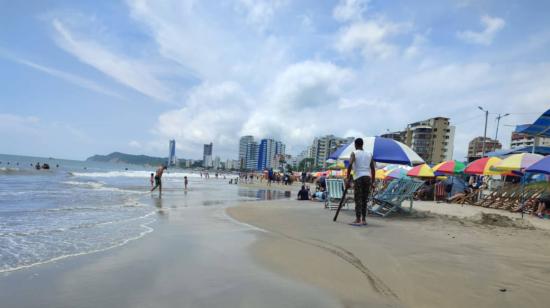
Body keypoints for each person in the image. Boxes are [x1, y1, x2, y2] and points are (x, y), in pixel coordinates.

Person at [346, 138, 375, 226]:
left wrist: (347, 179)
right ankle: (364, 219)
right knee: (364, 199)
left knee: (358, 198)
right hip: (367, 177)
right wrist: (373, 181)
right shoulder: (369, 154)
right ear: (362, 144)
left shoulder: (354, 153)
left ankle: (358, 219)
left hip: (358, 177)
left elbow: (350, 165)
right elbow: (373, 169)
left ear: (355, 145)